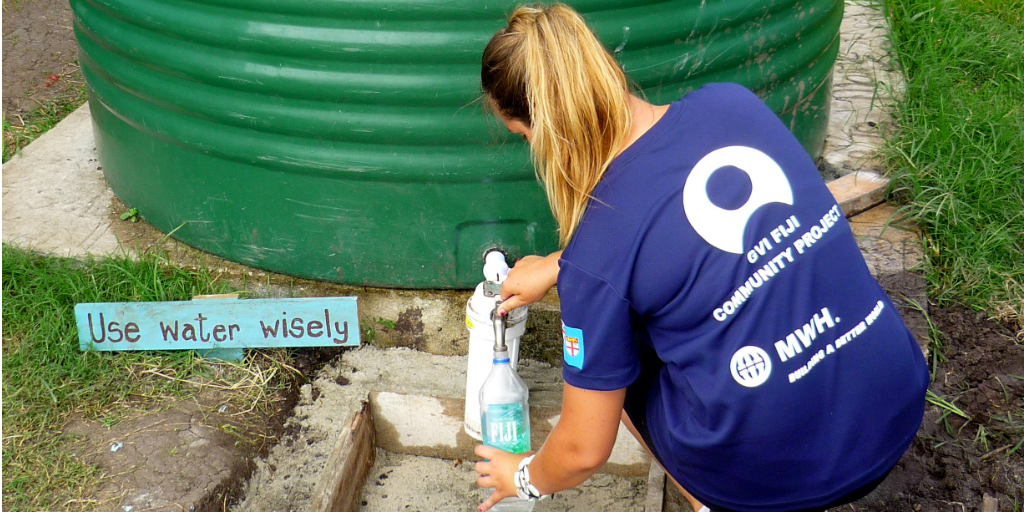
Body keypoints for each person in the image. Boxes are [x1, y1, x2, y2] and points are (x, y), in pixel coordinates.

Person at [472, 4, 929, 512]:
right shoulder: (731, 106)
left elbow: (582, 450)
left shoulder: (598, 254)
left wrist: (525, 477)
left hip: (780, 481)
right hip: (896, 398)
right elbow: (681, 229)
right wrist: (565, 263)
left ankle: (713, 499)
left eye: (524, 134)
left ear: (547, 130)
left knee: (615, 363)